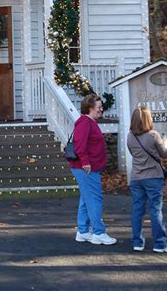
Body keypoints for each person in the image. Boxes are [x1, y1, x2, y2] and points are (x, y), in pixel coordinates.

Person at [69, 93, 117, 245]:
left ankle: (83, 231)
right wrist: (85, 162)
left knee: (86, 199)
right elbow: (79, 144)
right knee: (95, 199)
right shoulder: (84, 123)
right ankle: (98, 232)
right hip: (86, 168)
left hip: (89, 167)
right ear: (90, 108)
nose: (101, 109)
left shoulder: (90, 122)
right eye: (99, 107)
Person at [127, 106, 167, 253]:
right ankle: (160, 244)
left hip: (136, 177)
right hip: (153, 177)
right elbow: (164, 153)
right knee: (155, 210)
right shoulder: (153, 135)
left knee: (137, 210)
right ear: (148, 119)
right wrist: (165, 142)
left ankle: (137, 242)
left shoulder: (130, 136)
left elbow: (133, 153)